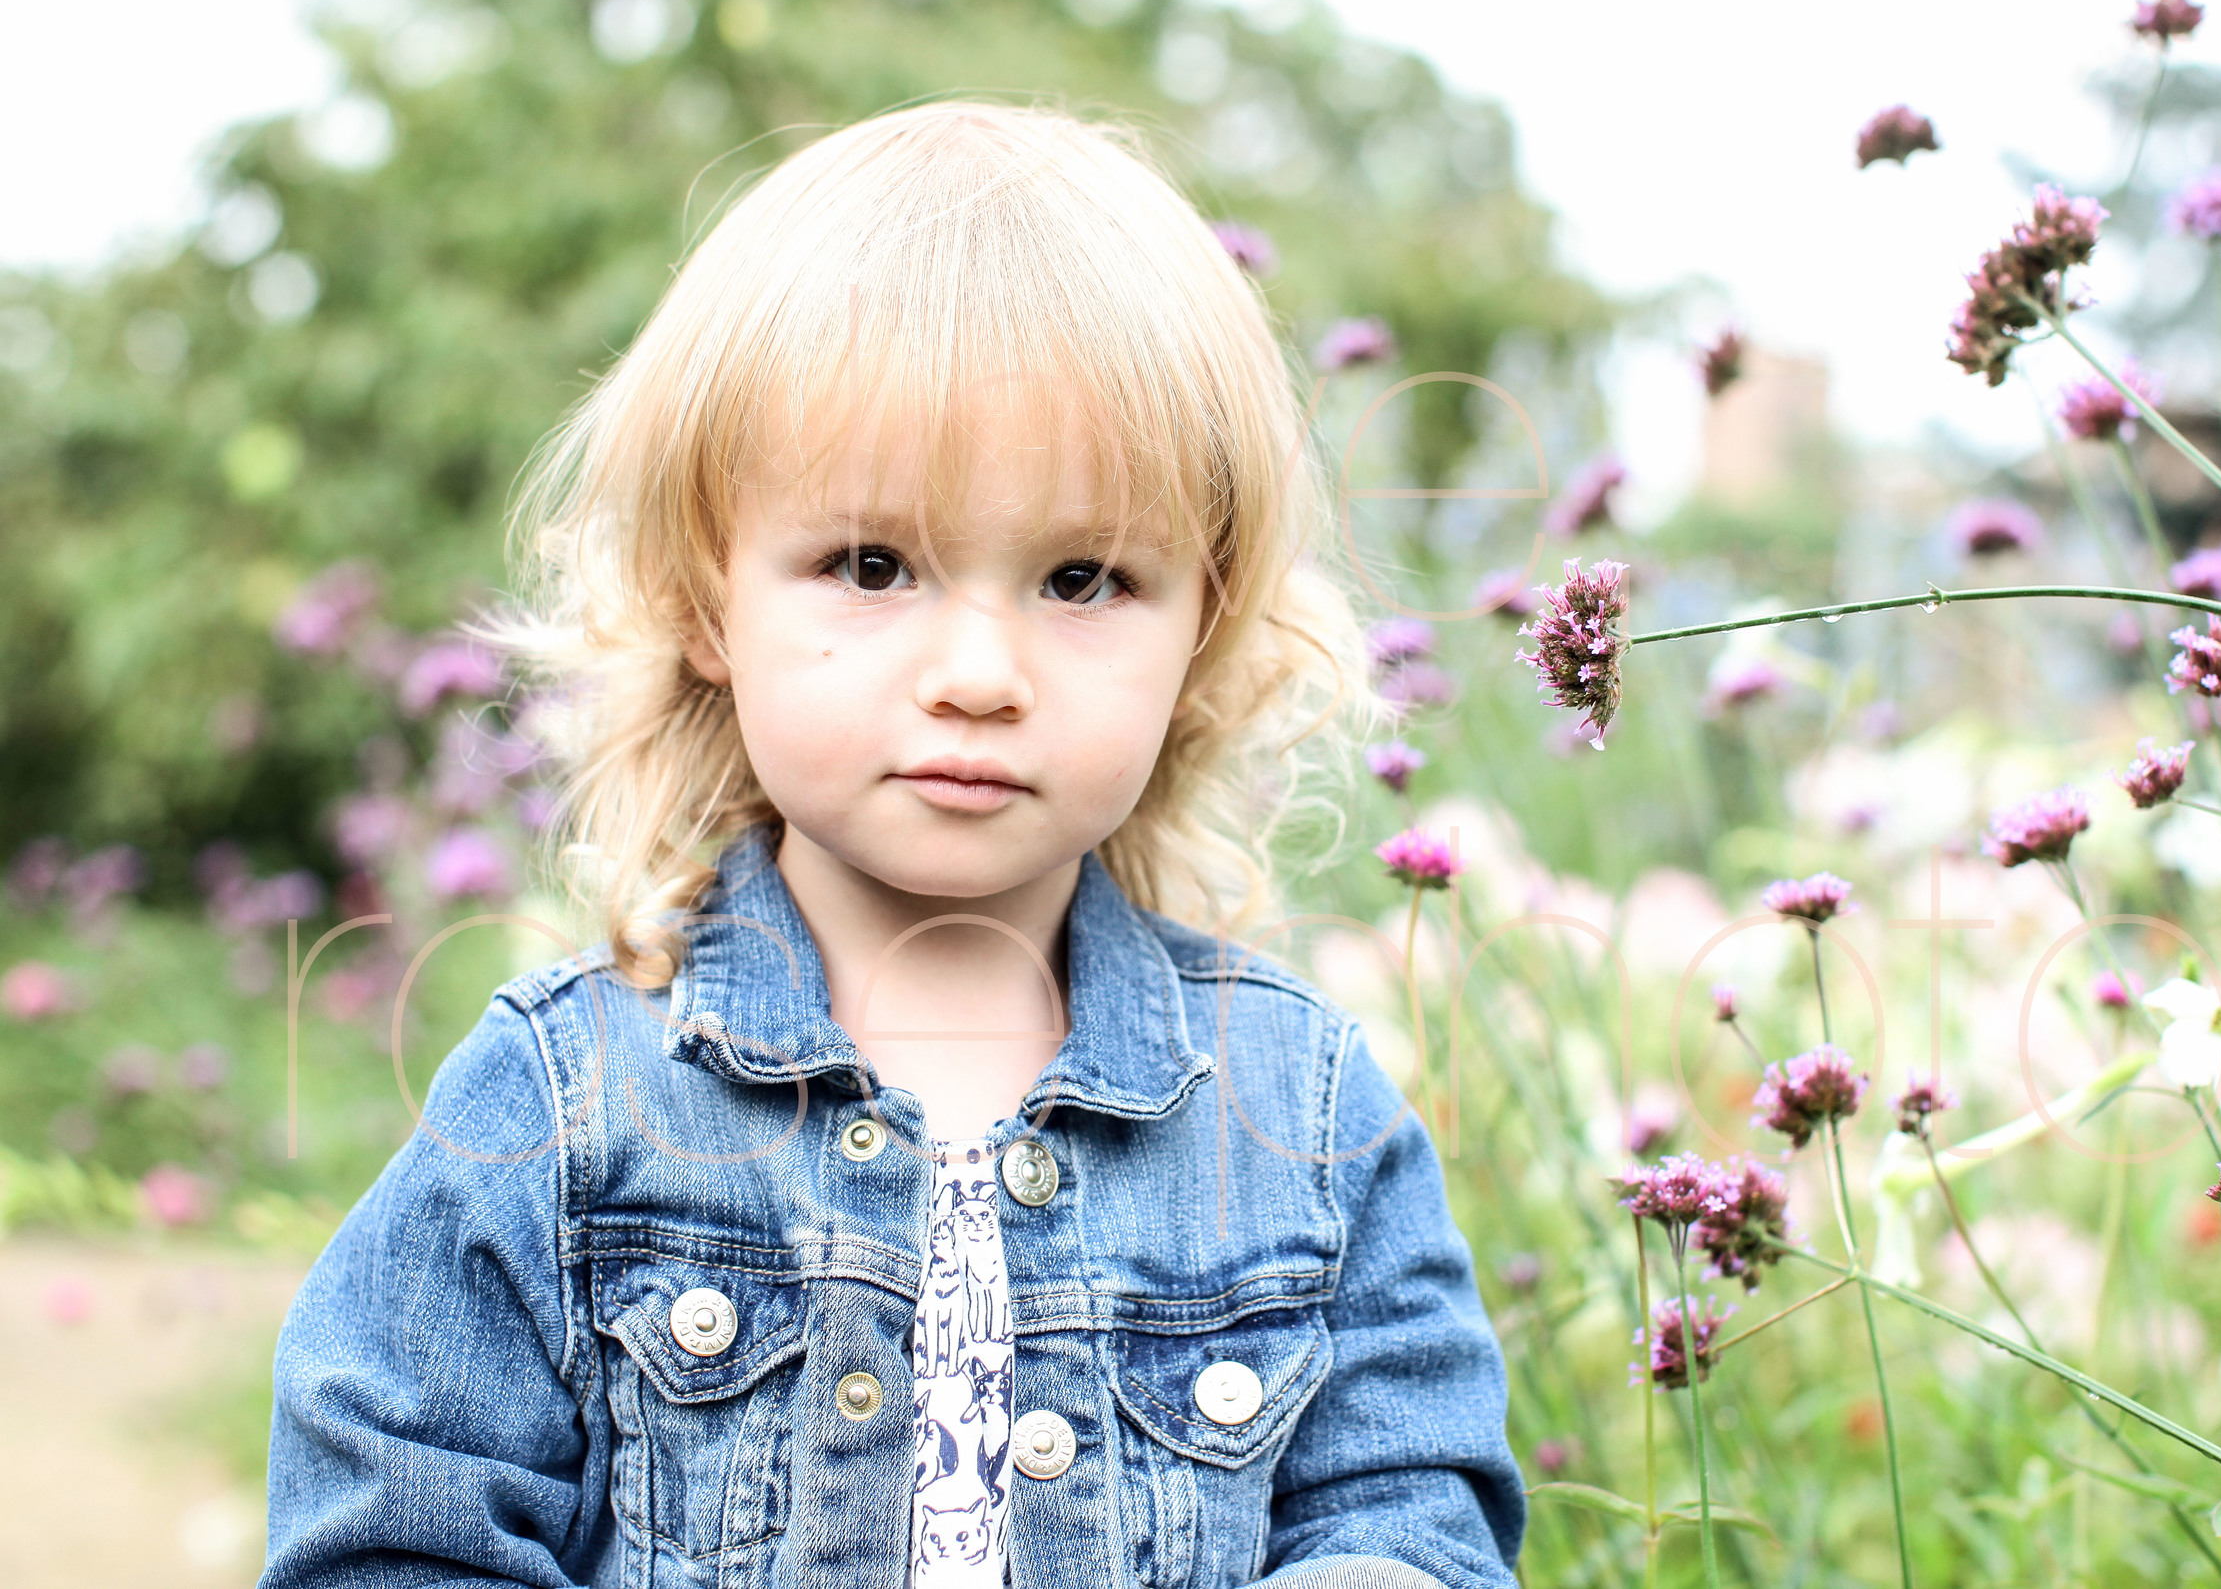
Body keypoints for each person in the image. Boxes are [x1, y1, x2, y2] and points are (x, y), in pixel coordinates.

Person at [262, 100, 1524, 1589]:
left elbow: (1412, 1524)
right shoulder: (564, 1106)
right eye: (873, 565)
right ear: (699, 594)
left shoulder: (1305, 1120)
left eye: (1084, 577)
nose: (979, 670)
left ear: (1207, 621)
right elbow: (394, 1534)